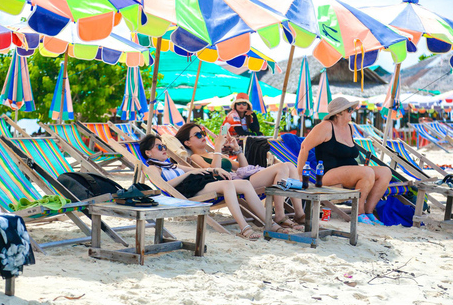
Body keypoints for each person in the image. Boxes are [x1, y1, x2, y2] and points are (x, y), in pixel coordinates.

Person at [139, 134, 293, 240]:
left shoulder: (172, 165)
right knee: (227, 185)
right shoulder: (154, 168)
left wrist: (214, 169)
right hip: (184, 193)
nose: (164, 149)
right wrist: (186, 175)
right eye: (159, 147)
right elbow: (164, 187)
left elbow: (196, 170)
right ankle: (244, 228)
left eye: (163, 145)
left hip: (196, 185)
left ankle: (270, 224)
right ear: (148, 152)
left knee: (245, 184)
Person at [175, 123, 306, 229]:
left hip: (243, 178)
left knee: (289, 166)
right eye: (198, 135)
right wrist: (218, 148)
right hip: (233, 183)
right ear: (187, 143)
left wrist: (237, 149)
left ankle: (299, 213)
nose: (202, 135)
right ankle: (280, 215)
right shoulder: (195, 156)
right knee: (282, 167)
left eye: (203, 133)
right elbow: (214, 171)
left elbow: (243, 168)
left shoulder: (213, 153)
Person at [297, 97, 392, 225]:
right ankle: (359, 212)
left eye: (352, 109)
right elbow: (304, 147)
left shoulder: (350, 128)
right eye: (349, 109)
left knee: (385, 172)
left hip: (350, 172)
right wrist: (299, 175)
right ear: (338, 113)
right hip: (329, 174)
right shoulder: (325, 127)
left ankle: (369, 212)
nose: (352, 112)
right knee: (367, 172)